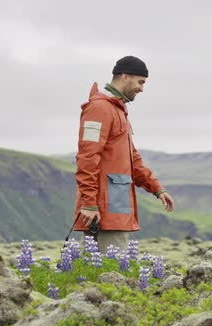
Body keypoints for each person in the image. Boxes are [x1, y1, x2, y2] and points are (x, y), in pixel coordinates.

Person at [72, 55, 175, 253]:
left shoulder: (118, 110)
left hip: (115, 208)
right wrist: (89, 203)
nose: (142, 88)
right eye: (140, 82)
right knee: (106, 273)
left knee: (110, 272)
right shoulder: (99, 109)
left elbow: (132, 159)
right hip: (101, 210)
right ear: (125, 77)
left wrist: (157, 189)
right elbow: (87, 157)